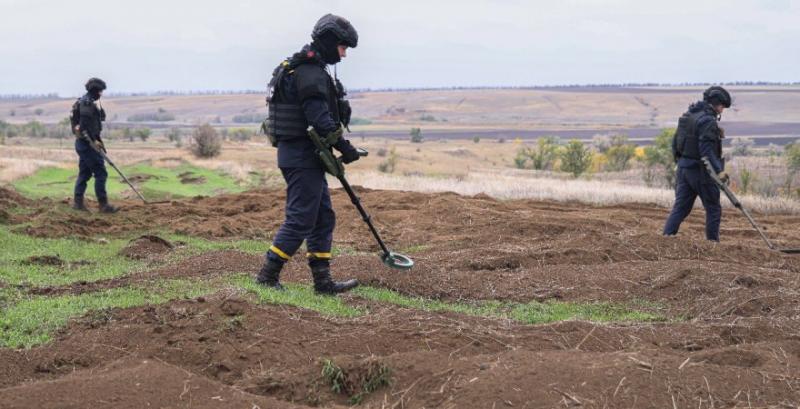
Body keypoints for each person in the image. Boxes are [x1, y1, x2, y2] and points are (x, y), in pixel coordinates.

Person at [257, 14, 361, 294]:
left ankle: (323, 283)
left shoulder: (305, 68)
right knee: (301, 218)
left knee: (323, 217)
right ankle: (267, 276)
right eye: (342, 47)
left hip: (305, 156)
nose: (343, 54)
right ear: (329, 42)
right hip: (301, 157)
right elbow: (320, 119)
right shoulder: (309, 73)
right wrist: (345, 148)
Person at [663, 86, 732, 241]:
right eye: (722, 106)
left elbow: (675, 143)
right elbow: (706, 151)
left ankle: (665, 239)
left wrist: (681, 163)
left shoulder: (688, 116)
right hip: (701, 172)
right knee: (713, 208)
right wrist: (719, 171)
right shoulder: (707, 121)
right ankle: (713, 245)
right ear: (716, 104)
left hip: (683, 169)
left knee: (681, 208)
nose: (722, 110)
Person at [73, 77, 118, 213]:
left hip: (84, 144)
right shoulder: (86, 103)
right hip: (88, 144)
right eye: (100, 91)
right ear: (95, 91)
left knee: (85, 173)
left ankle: (78, 203)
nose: (101, 94)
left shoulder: (85, 101)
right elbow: (84, 127)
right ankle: (103, 205)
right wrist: (94, 141)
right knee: (101, 173)